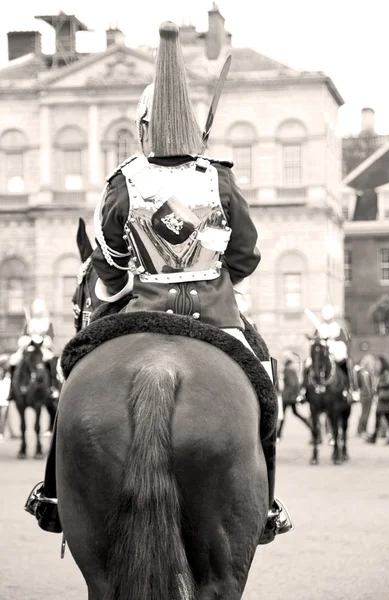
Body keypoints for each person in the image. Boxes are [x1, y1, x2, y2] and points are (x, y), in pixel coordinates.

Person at [25, 21, 292, 542]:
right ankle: (266, 506)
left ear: (143, 128)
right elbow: (246, 255)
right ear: (192, 127)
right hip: (217, 317)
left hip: (140, 314)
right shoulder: (220, 178)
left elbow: (110, 265)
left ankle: (53, 493)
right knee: (265, 389)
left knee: (73, 379)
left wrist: (120, 285)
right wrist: (211, 271)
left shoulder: (123, 182)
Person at [7, 299, 56, 400]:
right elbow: (23, 335)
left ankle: (52, 386)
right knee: (14, 362)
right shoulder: (29, 322)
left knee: (51, 362)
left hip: (42, 347)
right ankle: (12, 389)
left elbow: (50, 336)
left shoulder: (48, 323)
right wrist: (27, 339)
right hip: (30, 346)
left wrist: (41, 340)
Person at [315, 304, 359, 401]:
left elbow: (344, 340)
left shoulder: (337, 327)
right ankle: (305, 390)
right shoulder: (320, 328)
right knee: (310, 364)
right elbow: (315, 341)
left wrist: (332, 342)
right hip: (322, 352)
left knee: (345, 364)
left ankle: (349, 388)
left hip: (335, 351)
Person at [277, 352, 310, 440]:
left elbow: (293, 384)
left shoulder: (288, 371)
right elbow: (295, 385)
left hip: (287, 397)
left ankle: (278, 434)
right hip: (290, 396)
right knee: (295, 413)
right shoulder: (291, 371)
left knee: (284, 416)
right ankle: (308, 422)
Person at [367, 355, 389, 445]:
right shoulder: (386, 372)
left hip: (384, 399)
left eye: (378, 363)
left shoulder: (385, 373)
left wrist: (379, 385)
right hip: (385, 400)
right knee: (388, 418)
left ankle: (376, 437)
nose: (376, 365)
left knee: (382, 417)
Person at [355, 354, 376, 437]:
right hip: (366, 396)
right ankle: (361, 429)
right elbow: (367, 386)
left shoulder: (363, 372)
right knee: (365, 413)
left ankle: (362, 429)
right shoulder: (365, 373)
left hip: (365, 395)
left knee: (365, 413)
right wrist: (371, 394)